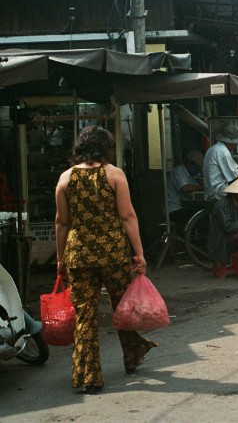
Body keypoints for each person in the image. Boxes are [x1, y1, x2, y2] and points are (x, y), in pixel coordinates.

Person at [54, 126, 156, 393]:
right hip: (112, 253)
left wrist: (60, 258)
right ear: (106, 148)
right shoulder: (114, 175)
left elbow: (62, 222)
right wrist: (140, 254)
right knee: (122, 306)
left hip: (79, 255)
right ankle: (133, 352)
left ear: (79, 148)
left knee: (84, 316)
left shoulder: (65, 179)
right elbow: (127, 217)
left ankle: (88, 376)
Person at [165, 150, 204, 223]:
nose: (198, 170)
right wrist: (203, 186)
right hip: (175, 208)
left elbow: (196, 187)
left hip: (184, 206)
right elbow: (184, 188)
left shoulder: (191, 174)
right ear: (189, 163)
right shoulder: (179, 171)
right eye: (197, 167)